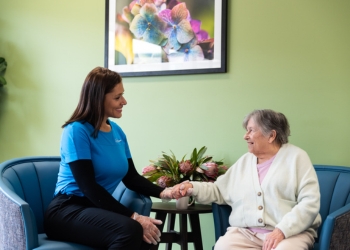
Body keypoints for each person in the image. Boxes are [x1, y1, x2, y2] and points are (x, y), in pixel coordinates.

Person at [44, 67, 172, 250]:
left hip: (95, 210)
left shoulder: (117, 132)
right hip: (66, 211)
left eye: (123, 95)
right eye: (117, 97)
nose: (124, 102)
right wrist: (134, 217)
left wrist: (163, 192)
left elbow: (131, 177)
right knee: (130, 229)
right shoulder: (76, 131)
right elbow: (88, 187)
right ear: (98, 98)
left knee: (151, 233)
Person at [171, 109, 322, 250]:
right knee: (223, 246)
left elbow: (310, 202)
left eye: (251, 130)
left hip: (291, 234)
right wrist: (192, 187)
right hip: (247, 234)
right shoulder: (245, 161)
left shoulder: (296, 157)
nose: (246, 136)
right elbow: (219, 190)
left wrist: (281, 231)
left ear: (271, 135)